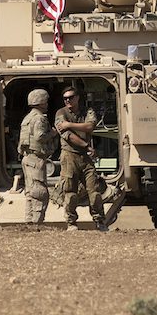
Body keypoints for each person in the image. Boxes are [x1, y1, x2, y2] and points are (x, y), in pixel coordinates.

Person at [54, 87, 107, 231]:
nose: (68, 100)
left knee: (94, 191)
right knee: (70, 192)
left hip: (85, 157)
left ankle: (100, 221)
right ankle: (71, 222)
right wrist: (86, 146)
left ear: (77, 97)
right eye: (65, 98)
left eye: (70, 97)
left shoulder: (86, 111)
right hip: (69, 155)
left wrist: (69, 124)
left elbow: (90, 126)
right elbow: (67, 135)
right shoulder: (61, 113)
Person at [18, 88, 59, 224]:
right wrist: (53, 134)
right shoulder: (39, 118)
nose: (47, 104)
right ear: (41, 102)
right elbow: (39, 136)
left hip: (27, 158)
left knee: (30, 191)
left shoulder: (27, 118)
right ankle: (36, 223)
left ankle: (29, 221)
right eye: (45, 101)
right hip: (36, 159)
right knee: (40, 193)